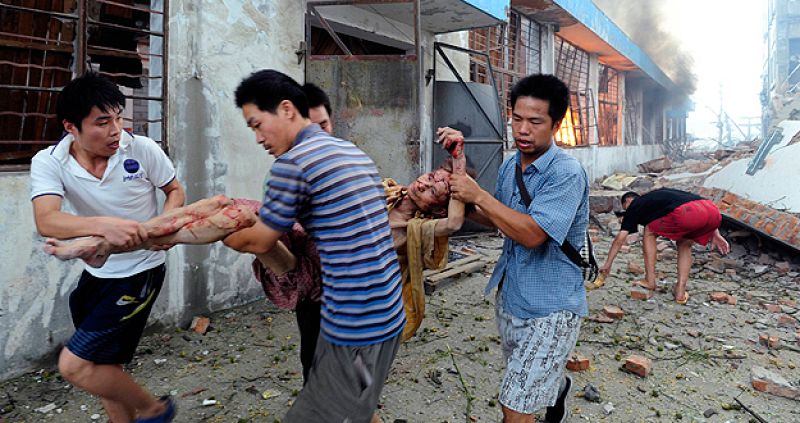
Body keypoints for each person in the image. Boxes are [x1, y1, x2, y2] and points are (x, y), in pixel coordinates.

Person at [227, 69, 405, 423]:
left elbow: (259, 240)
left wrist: (222, 228)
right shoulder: (352, 152)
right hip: (387, 314)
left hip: (355, 324)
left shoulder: (291, 165)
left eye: (257, 124)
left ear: (287, 109)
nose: (257, 137)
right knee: (356, 406)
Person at [30, 72, 185, 423]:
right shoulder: (50, 162)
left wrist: (165, 227)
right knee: (104, 368)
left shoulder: (141, 148)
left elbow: (175, 190)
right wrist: (105, 225)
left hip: (139, 272)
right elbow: (47, 220)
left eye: (119, 117)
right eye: (103, 122)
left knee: (75, 366)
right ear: (71, 126)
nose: (116, 129)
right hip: (97, 272)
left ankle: (154, 409)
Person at [448, 73, 589, 423]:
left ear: (556, 124)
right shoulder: (511, 164)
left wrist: (476, 194)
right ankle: (557, 391)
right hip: (512, 296)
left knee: (515, 403)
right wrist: (453, 193)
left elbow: (531, 234)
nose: (523, 129)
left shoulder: (567, 172)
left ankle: (544, 392)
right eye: (517, 119)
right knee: (524, 376)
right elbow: (501, 219)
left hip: (552, 306)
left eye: (535, 121)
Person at [598, 188, 730, 304]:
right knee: (684, 244)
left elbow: (620, 238)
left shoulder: (635, 204)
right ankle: (680, 292)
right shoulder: (662, 195)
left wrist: (608, 264)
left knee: (649, 230)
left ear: (628, 201)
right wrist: (715, 233)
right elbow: (697, 206)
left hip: (688, 213)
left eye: (625, 208)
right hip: (712, 212)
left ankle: (650, 280)